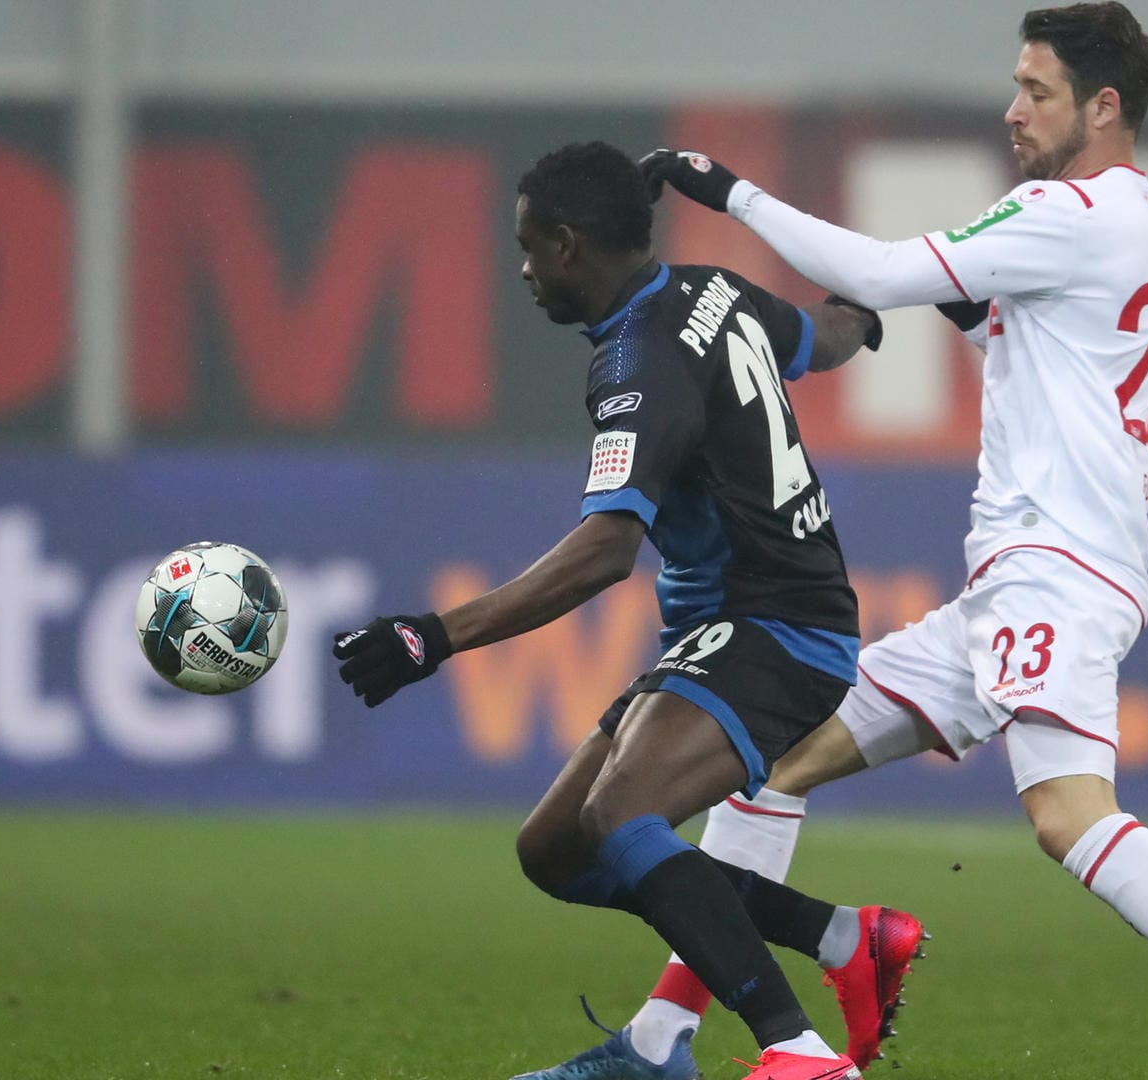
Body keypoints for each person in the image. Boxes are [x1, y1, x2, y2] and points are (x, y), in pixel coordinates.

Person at [633, 6, 1148, 1080]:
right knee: (775, 755)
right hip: (1025, 585)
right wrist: (946, 303)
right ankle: (668, 1036)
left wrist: (724, 189)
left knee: (1071, 817)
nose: (1012, 109)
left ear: (1102, 106)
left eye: (1037, 90)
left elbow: (882, 271)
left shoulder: (1071, 212)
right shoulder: (1143, 222)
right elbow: (1010, 330)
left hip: (1055, 577)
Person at [331, 140, 920, 1080]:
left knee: (624, 814)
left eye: (528, 247)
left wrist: (432, 636)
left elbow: (605, 554)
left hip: (777, 627)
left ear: (570, 246)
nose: (522, 270)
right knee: (557, 849)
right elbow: (818, 337)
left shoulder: (638, 363)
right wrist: (865, 312)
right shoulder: (711, 291)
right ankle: (841, 940)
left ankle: (801, 1053)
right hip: (736, 626)